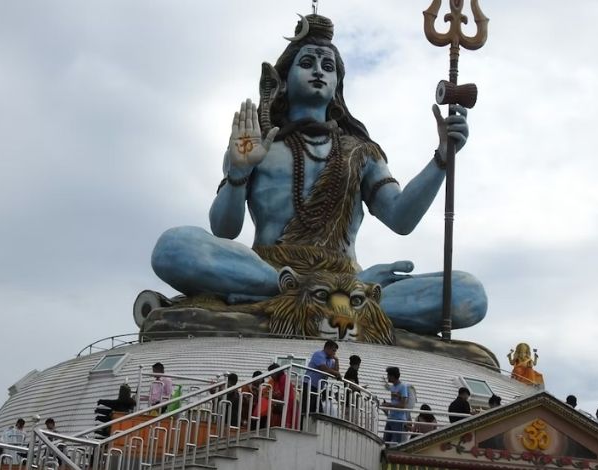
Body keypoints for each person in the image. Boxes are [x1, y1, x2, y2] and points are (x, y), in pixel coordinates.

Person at [150, 13, 486, 336]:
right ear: (283, 78)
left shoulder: (360, 151)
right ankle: (328, 299)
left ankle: (311, 297)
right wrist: (238, 173)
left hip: (346, 279)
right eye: (307, 63)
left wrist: (442, 160)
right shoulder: (262, 146)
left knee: (469, 294)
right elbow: (224, 229)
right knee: (173, 248)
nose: (318, 72)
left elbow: (401, 218)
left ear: (338, 83)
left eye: (328, 67)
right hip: (270, 272)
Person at [303, 340, 341, 414]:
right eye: (333, 350)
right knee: (307, 408)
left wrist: (336, 360)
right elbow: (323, 368)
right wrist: (336, 373)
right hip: (309, 385)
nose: (334, 353)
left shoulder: (330, 360)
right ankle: (302, 424)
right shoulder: (319, 354)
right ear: (327, 348)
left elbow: (335, 372)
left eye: (335, 351)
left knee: (317, 410)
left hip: (318, 388)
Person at [382, 366, 410, 444]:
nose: (387, 377)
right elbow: (394, 402)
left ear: (393, 376)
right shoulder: (393, 387)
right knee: (385, 442)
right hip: (391, 418)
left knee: (396, 443)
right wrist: (387, 405)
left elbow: (403, 405)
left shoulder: (403, 387)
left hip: (398, 419)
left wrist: (389, 405)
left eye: (388, 375)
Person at [267, 363, 297, 429]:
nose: (271, 376)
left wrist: (273, 394)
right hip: (285, 402)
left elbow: (282, 392)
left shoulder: (283, 378)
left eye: (272, 374)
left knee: (286, 419)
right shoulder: (279, 380)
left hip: (288, 402)